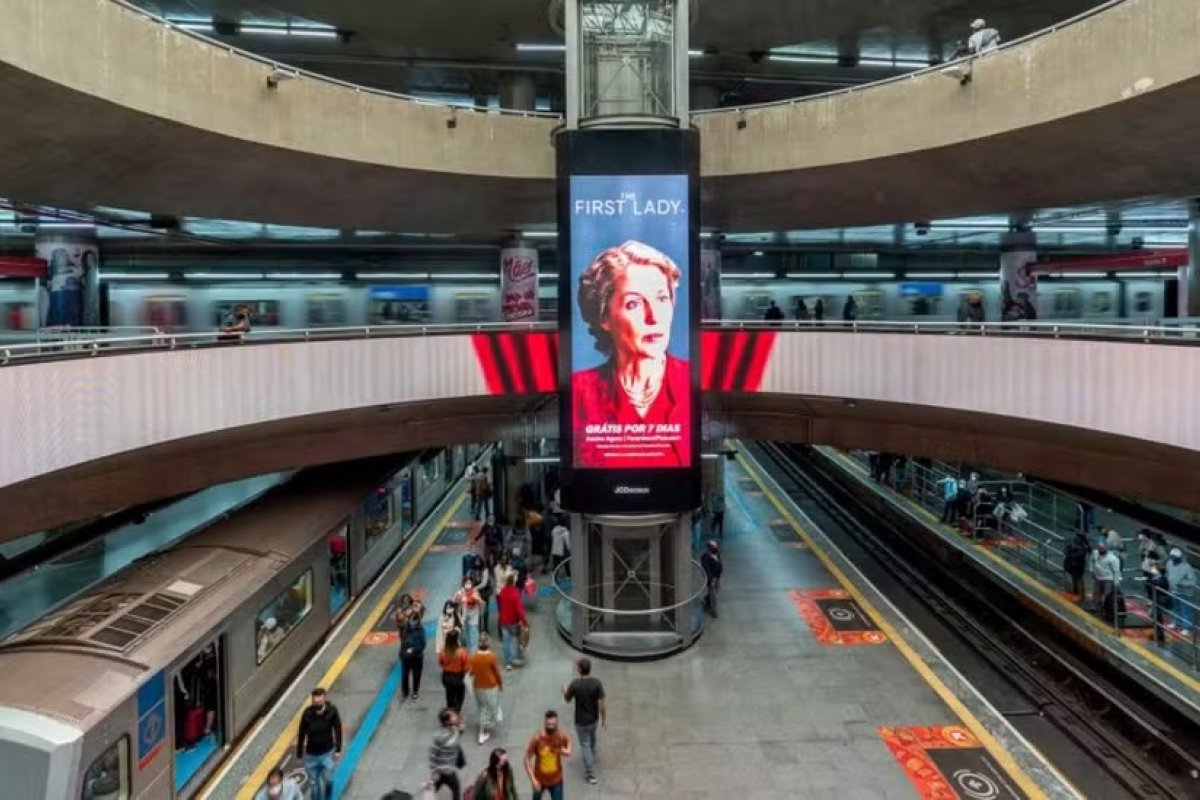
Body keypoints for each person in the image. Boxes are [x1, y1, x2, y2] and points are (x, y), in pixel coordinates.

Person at [572, 240, 691, 468]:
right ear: (604, 317)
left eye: (662, 299)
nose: (654, 317)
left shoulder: (693, 380)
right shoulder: (579, 391)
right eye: (634, 304)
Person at [562, 658, 606, 785]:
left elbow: (567, 699)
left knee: (584, 744)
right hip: (594, 719)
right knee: (592, 737)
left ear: (580, 669)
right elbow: (602, 703)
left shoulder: (575, 684)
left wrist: (564, 690)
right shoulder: (597, 683)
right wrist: (604, 719)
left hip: (580, 721)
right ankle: (591, 755)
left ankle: (590, 773)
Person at [296, 688, 342, 800]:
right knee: (314, 785)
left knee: (329, 779)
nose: (317, 704)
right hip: (311, 755)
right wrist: (299, 753)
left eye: (319, 702)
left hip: (327, 752)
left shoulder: (332, 711)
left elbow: (337, 728)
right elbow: (301, 732)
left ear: (324, 699)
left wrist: (338, 749)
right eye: (315, 702)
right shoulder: (307, 714)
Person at [525, 710, 571, 800]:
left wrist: (567, 750)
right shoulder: (537, 738)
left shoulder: (560, 736)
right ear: (544, 723)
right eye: (548, 724)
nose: (551, 727)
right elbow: (526, 759)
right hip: (539, 780)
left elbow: (568, 740)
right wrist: (533, 780)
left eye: (554, 724)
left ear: (557, 723)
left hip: (556, 779)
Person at [469, 633, 504, 745]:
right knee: (491, 706)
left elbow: (471, 672)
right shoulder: (491, 657)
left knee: (482, 707)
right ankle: (484, 729)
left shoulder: (474, 657)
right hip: (491, 686)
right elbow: (496, 672)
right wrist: (500, 683)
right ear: (488, 643)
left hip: (478, 685)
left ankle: (483, 728)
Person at [428, 708, 466, 800]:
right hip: (448, 770)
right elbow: (456, 737)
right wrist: (460, 730)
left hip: (440, 770)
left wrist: (433, 771)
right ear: (447, 721)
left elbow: (433, 754)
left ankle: (429, 795)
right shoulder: (449, 738)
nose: (456, 717)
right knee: (456, 788)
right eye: (453, 716)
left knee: (436, 786)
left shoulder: (442, 734)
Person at [496, 574, 527, 670]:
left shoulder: (502, 592)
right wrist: (524, 621)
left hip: (503, 621)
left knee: (506, 642)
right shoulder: (515, 594)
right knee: (515, 640)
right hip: (513, 621)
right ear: (513, 582)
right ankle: (516, 658)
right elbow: (519, 610)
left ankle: (507, 663)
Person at [400, 605, 427, 702]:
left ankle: (415, 691)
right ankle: (405, 692)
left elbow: (423, 644)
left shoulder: (420, 630)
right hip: (406, 657)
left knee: (416, 675)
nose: (411, 622)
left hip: (417, 657)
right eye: (410, 620)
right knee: (404, 675)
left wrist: (413, 650)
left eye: (413, 621)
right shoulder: (406, 627)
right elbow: (403, 641)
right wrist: (402, 653)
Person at [1165, 548, 1196, 633]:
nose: (1174, 559)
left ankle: (1187, 627)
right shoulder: (1169, 564)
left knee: (1186, 610)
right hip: (1174, 590)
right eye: (1173, 557)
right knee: (1176, 608)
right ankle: (1177, 622)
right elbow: (1168, 574)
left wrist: (1182, 583)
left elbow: (1193, 582)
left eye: (1176, 558)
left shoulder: (1187, 567)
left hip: (1186, 592)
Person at [439, 630, 469, 716]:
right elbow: (466, 667)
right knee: (460, 696)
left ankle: (450, 712)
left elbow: (441, 662)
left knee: (449, 695)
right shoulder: (462, 652)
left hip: (447, 676)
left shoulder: (443, 651)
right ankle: (456, 711)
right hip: (459, 676)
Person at [458, 577, 483, 654]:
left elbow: (481, 604)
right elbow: (456, 603)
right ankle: (469, 656)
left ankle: (473, 658)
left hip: (474, 619)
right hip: (464, 618)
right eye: (466, 583)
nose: (468, 585)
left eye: (469, 583)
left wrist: (478, 600)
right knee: (467, 638)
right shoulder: (461, 592)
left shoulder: (475, 592)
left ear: (472, 584)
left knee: (474, 639)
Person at [1063, 531, 1090, 599]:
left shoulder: (1084, 546)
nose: (1076, 538)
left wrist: (1072, 555)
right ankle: (1075, 591)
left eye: (1078, 537)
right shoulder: (1072, 544)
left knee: (1079, 579)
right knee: (1073, 578)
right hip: (1071, 564)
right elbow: (1066, 551)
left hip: (1078, 565)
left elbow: (1081, 554)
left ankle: (1081, 595)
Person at [700, 540, 723, 619]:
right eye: (714, 546)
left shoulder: (717, 554)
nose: (716, 547)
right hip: (712, 579)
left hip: (717, 578)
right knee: (714, 596)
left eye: (716, 545)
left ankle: (707, 598)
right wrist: (711, 580)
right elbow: (707, 569)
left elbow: (720, 564)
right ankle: (714, 611)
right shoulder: (705, 556)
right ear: (709, 547)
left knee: (715, 593)